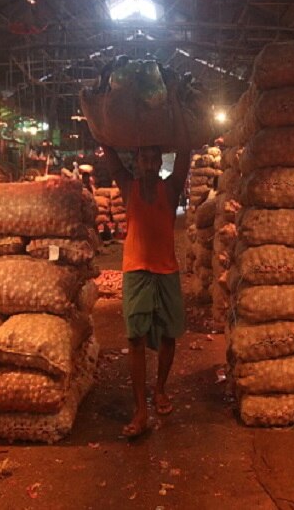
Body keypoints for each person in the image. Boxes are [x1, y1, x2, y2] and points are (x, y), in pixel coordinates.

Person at [102, 144, 191, 438]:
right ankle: (140, 409)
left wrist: (182, 127)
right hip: (136, 270)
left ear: (159, 162)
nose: (150, 164)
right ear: (137, 162)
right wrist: (104, 132)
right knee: (135, 337)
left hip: (167, 270)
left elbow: (184, 154)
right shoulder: (129, 187)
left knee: (169, 335)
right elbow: (114, 162)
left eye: (154, 159)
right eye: (144, 159)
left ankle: (160, 389)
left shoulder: (172, 187)